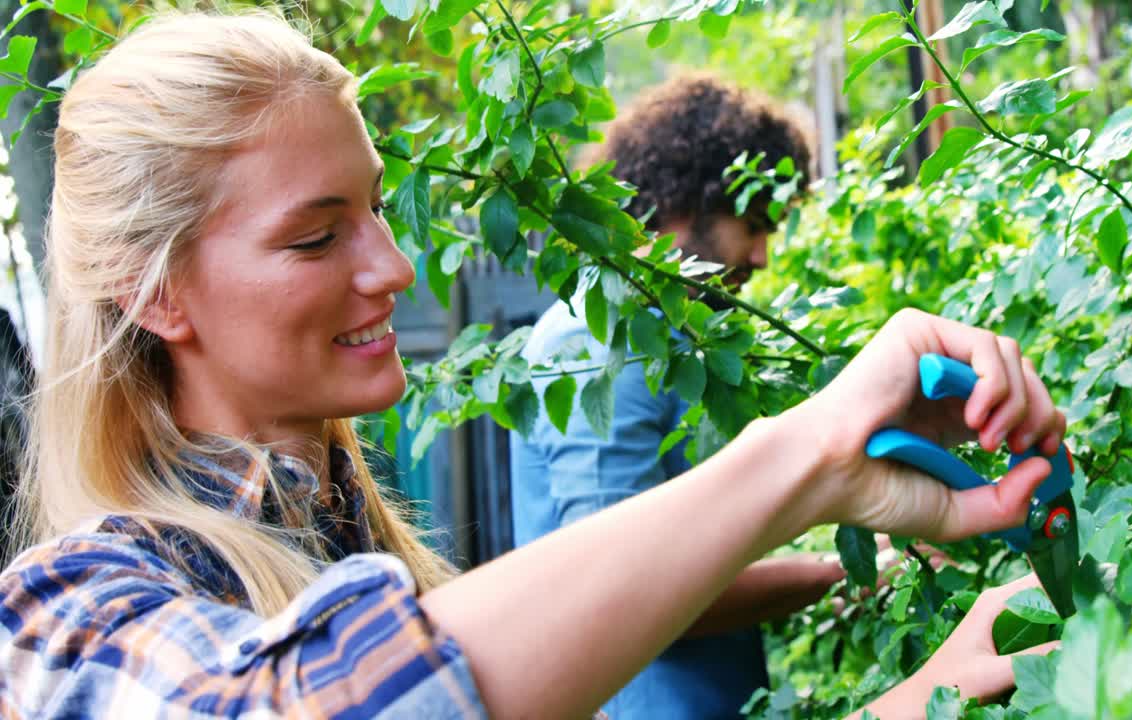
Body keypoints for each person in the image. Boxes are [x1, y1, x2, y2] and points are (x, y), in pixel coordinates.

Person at [0, 11, 1066, 720]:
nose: (394, 266)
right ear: (153, 292)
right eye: (317, 237)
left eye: (375, 210)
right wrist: (800, 457)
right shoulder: (67, 613)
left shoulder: (343, 537)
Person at [510, 75, 846, 719]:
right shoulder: (601, 339)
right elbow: (624, 590)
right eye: (751, 224)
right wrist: (838, 574)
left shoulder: (669, 336)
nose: (763, 254)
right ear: (682, 202)